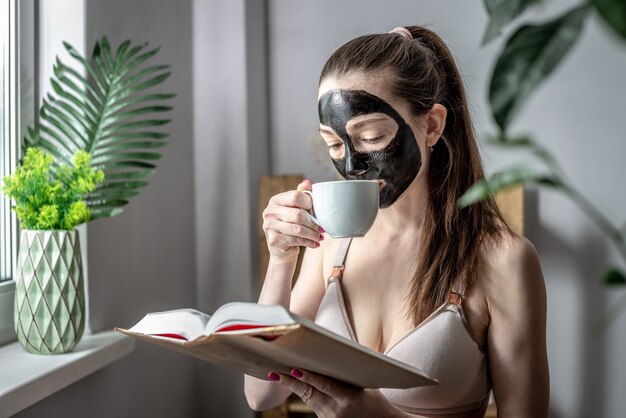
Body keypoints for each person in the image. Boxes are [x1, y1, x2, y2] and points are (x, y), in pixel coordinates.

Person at [244, 25, 549, 418]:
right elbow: (260, 394)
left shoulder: (503, 260)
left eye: (370, 135)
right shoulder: (331, 245)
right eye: (334, 144)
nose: (351, 166)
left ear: (433, 125)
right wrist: (281, 260)